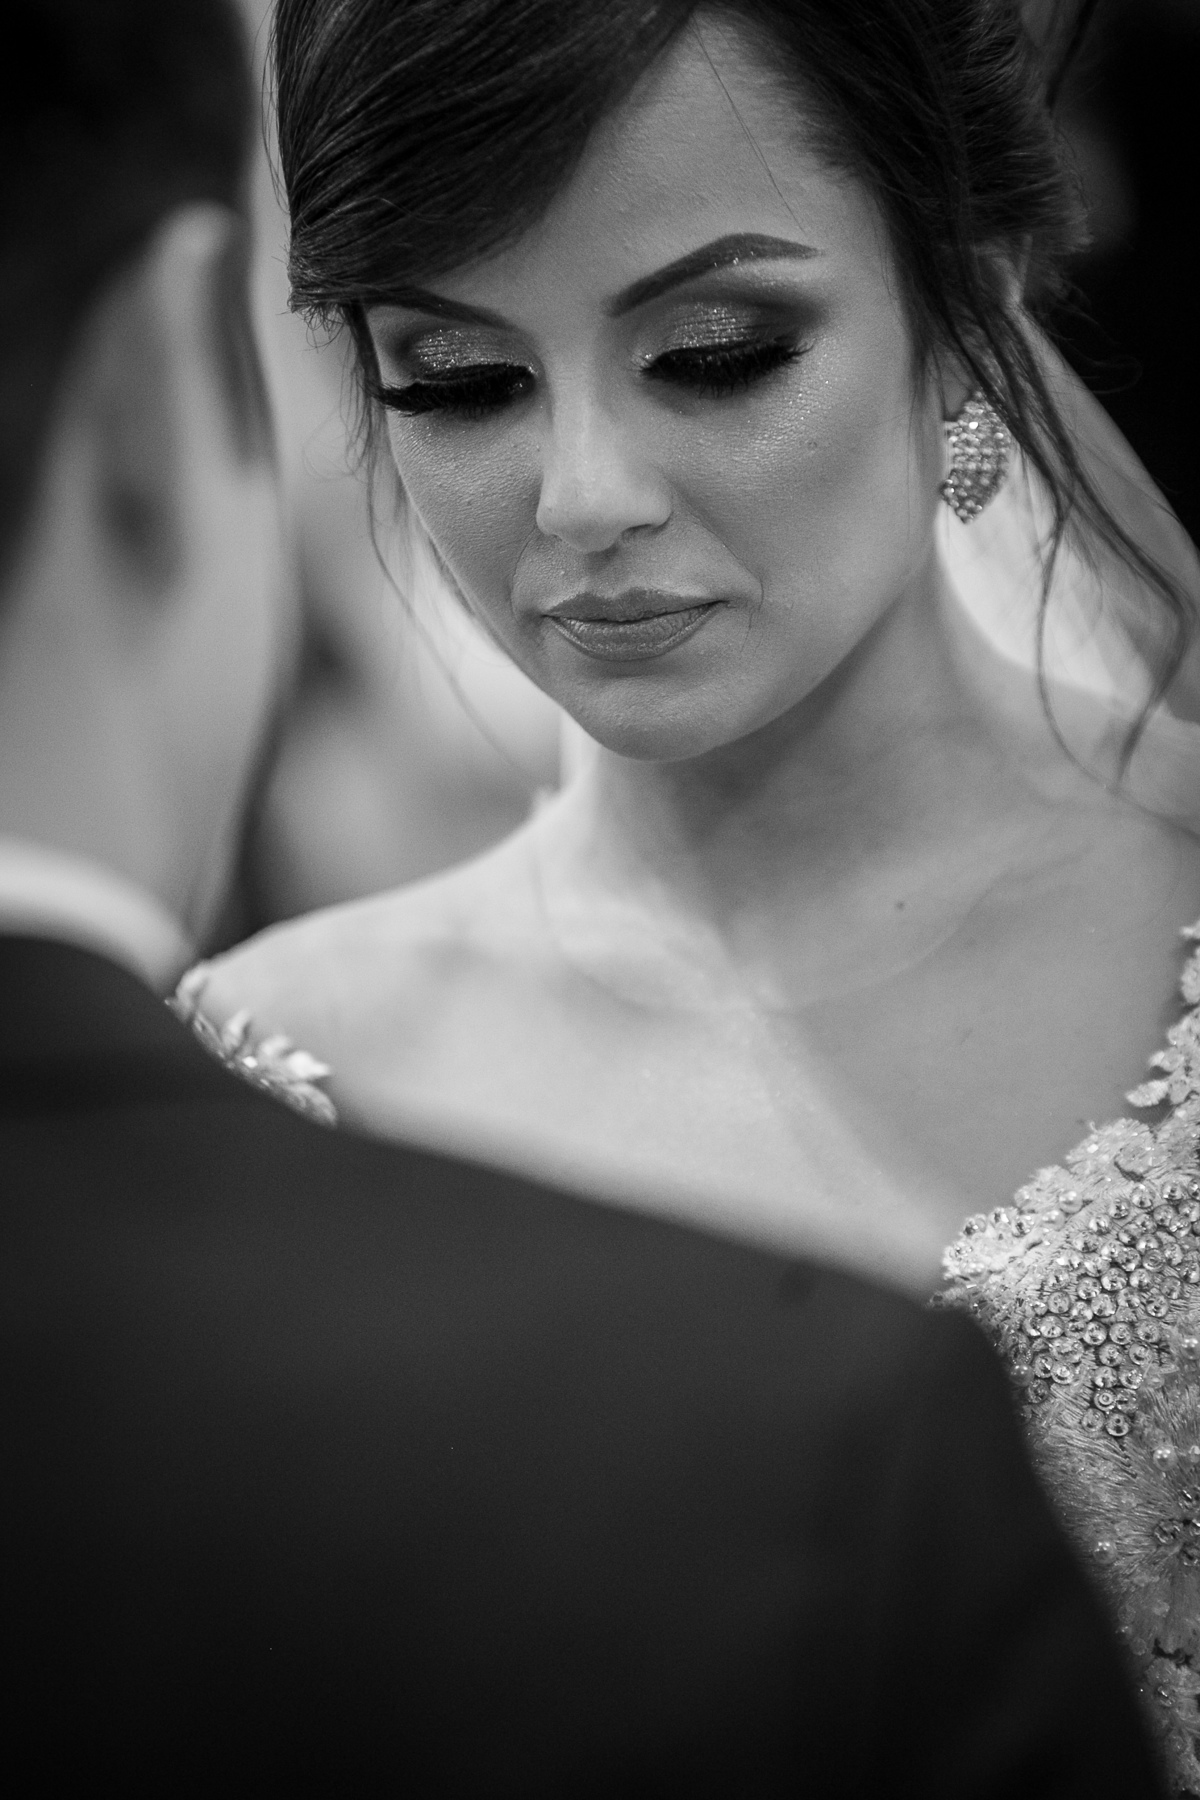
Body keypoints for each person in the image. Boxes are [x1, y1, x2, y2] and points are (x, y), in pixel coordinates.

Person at [1, 4, 1164, 1793]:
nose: (581, 499)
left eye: (714, 351)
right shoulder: (260, 1065)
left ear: (968, 302)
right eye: (456, 381)